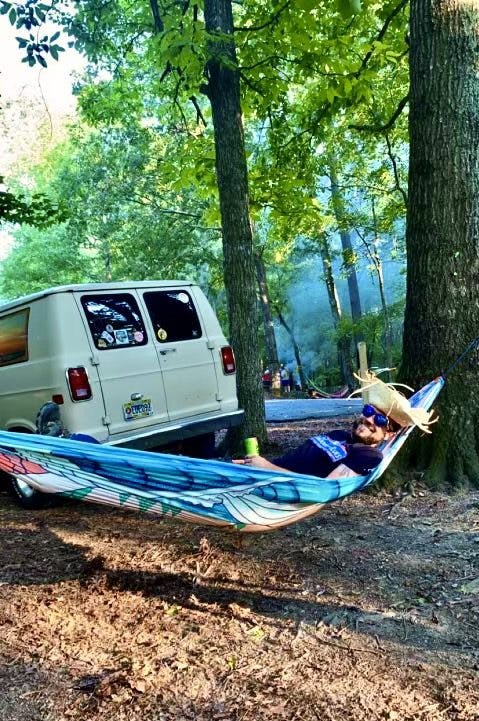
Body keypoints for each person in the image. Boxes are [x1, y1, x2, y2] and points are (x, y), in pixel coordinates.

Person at [234, 403, 401, 479]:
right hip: (261, 470)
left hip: (271, 480)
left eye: (380, 420)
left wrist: (266, 468)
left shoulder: (368, 454)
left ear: (389, 435)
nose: (369, 419)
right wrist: (256, 463)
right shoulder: (338, 434)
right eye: (369, 410)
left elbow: (323, 487)